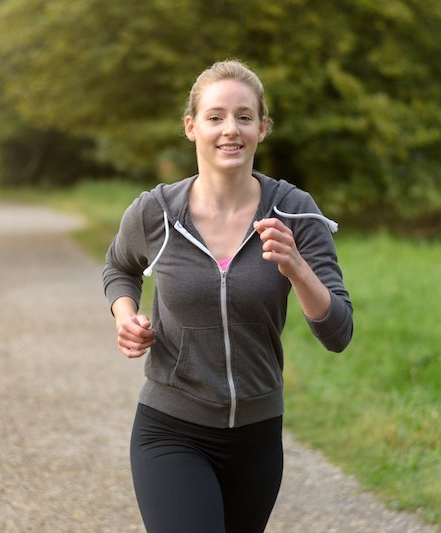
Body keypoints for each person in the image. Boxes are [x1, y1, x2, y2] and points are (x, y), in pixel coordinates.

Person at [102, 59, 353, 533]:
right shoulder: (155, 212)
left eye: (243, 116)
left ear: (262, 128)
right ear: (191, 127)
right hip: (170, 428)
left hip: (257, 438)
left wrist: (296, 266)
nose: (229, 130)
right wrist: (125, 313)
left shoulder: (295, 212)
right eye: (215, 117)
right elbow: (119, 266)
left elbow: (338, 332)